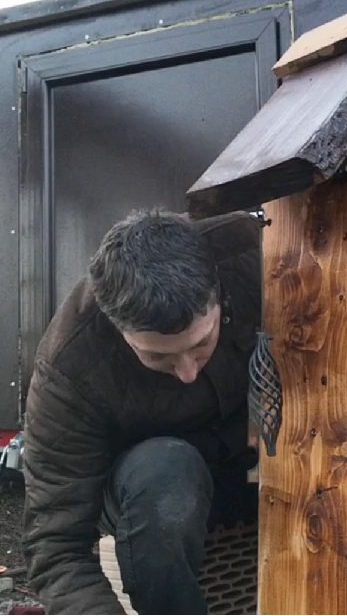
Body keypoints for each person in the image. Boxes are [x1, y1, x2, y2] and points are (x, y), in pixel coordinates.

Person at [22, 209, 262, 615]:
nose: (187, 373)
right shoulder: (69, 371)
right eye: (159, 358)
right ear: (119, 329)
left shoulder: (253, 254)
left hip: (260, 461)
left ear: (218, 293)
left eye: (202, 344)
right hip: (153, 500)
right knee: (167, 472)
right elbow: (57, 549)